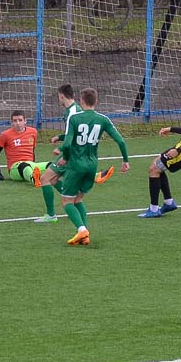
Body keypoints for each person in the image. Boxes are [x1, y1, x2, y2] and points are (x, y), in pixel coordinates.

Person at [34, 84, 115, 224]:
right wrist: (60, 137)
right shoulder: (71, 110)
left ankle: (52, 214)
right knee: (53, 180)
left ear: (61, 95)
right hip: (79, 155)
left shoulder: (73, 112)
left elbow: (75, 137)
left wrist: (61, 149)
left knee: (45, 178)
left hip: (72, 154)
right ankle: (72, 203)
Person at [59, 87, 129, 245]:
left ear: (81, 101)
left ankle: (81, 230)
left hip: (76, 165)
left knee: (66, 201)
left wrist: (65, 158)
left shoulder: (75, 118)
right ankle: (85, 235)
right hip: (92, 165)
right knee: (78, 199)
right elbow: (121, 140)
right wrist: (125, 160)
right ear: (96, 101)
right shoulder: (103, 119)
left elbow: (68, 144)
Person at [138, 77, 181, 218]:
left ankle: (153, 209)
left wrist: (178, 150)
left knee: (153, 169)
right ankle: (169, 202)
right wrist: (171, 129)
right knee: (157, 164)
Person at [0, 110, 48, 185]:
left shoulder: (33, 132)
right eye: (15, 121)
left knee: (51, 165)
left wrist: (33, 163)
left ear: (25, 121)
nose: (18, 123)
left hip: (31, 164)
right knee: (24, 166)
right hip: (15, 168)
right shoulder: (5, 135)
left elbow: (32, 151)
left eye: (20, 120)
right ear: (11, 122)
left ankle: (61, 179)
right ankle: (34, 178)